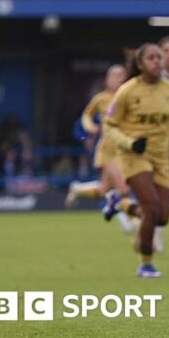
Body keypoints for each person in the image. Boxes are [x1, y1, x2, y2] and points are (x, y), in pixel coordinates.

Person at [105, 43, 169, 277]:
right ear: (140, 64)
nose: (158, 62)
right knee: (151, 207)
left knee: (162, 216)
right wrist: (129, 143)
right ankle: (145, 263)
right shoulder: (127, 91)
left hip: (160, 156)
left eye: (159, 57)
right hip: (134, 154)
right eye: (152, 58)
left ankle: (121, 204)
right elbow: (110, 126)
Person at [65, 65, 136, 231]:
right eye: (115, 75)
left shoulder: (129, 97)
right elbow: (86, 116)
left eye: (122, 75)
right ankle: (130, 222)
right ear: (107, 80)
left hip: (125, 149)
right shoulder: (101, 98)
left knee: (104, 189)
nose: (119, 78)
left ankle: (77, 189)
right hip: (108, 150)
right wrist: (90, 128)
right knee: (123, 188)